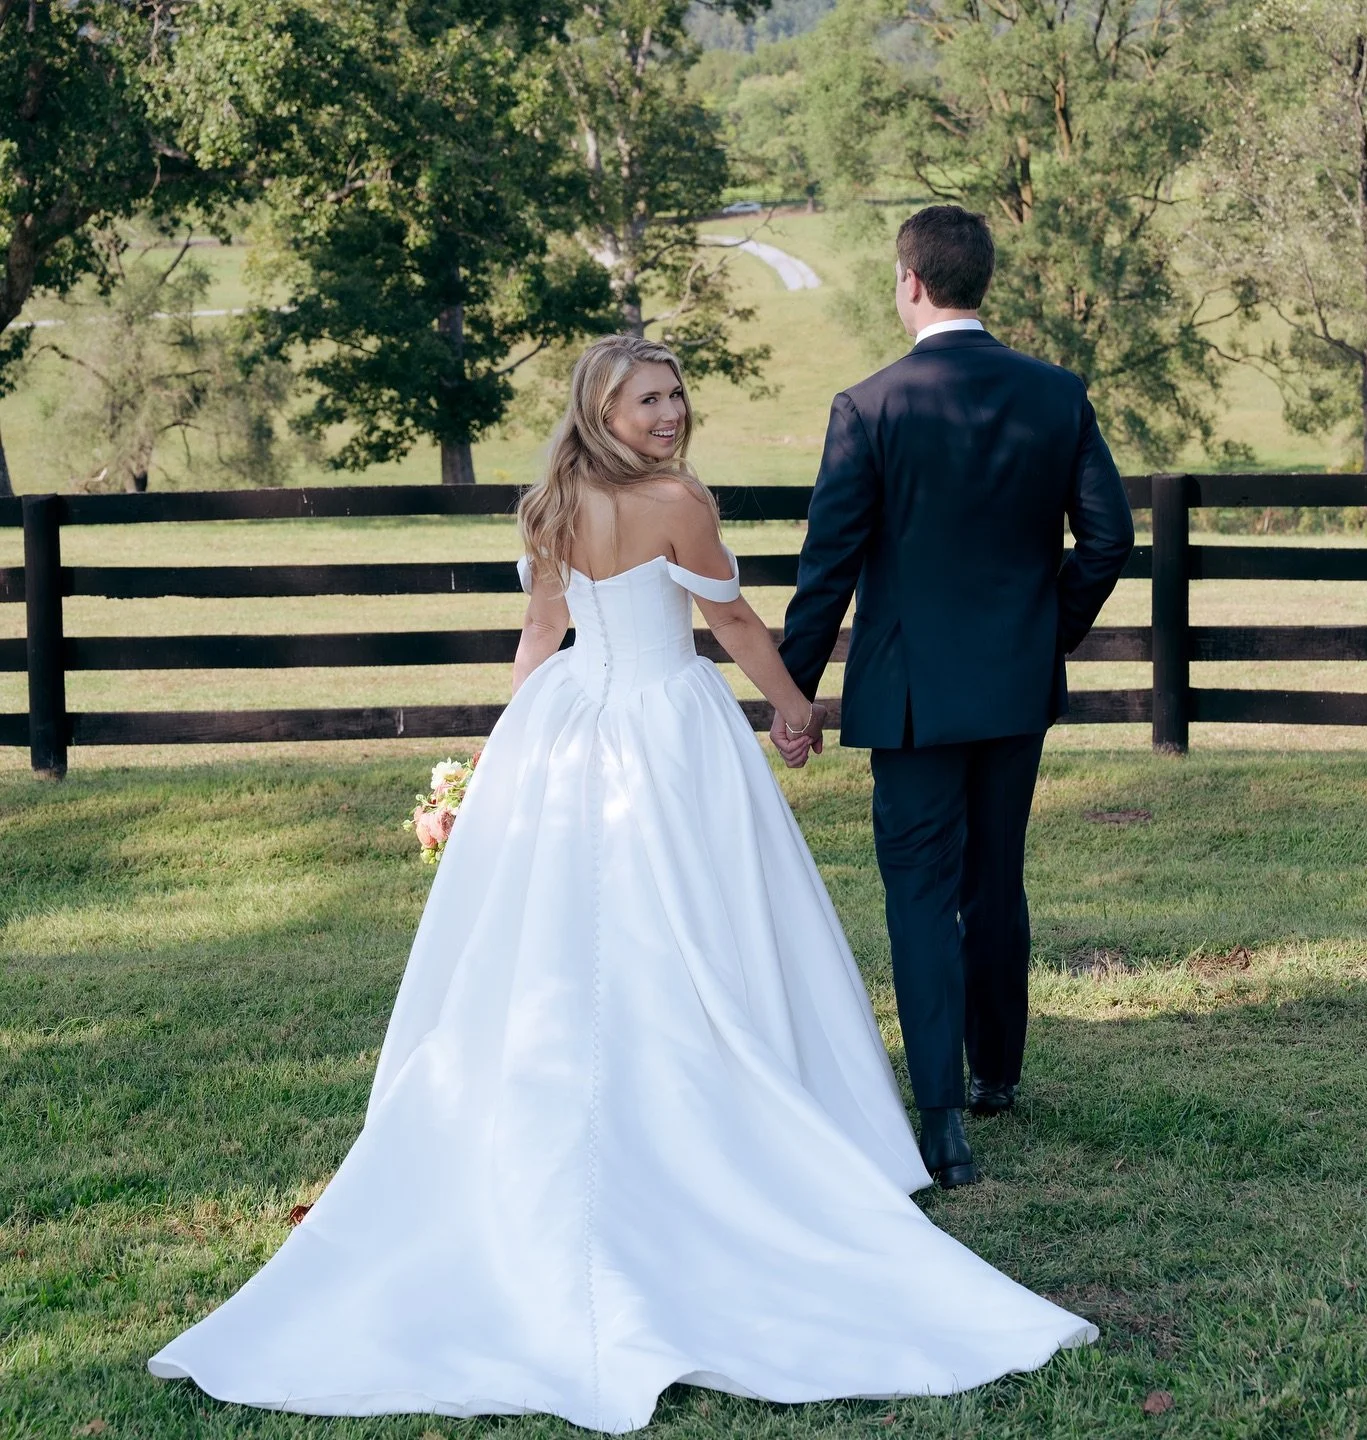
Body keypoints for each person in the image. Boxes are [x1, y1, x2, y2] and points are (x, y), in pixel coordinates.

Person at [147, 333, 1095, 1434]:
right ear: (602, 409)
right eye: (647, 399)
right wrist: (792, 704)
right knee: (682, 917)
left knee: (590, 927)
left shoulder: (549, 504)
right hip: (664, 728)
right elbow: (727, 620)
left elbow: (541, 636)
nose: (670, 413)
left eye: (676, 395)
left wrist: (514, 742)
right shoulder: (677, 501)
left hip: (569, 726)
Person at [774, 206, 1135, 1187]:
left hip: (910, 697)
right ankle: (998, 1077)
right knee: (996, 876)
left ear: (911, 283)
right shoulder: (1056, 393)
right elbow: (1109, 540)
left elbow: (828, 568)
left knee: (921, 893)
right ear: (980, 280)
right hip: (1014, 688)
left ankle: (941, 1119)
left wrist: (791, 693)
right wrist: (1044, 635)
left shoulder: (868, 406)